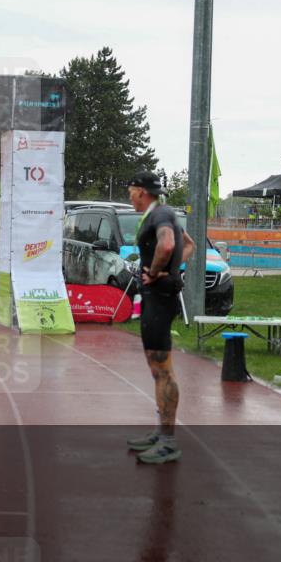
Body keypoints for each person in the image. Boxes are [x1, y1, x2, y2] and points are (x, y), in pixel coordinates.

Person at [124, 171, 195, 465]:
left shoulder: (160, 214)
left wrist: (155, 273)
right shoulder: (161, 214)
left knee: (162, 370)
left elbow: (167, 245)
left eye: (130, 191)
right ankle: (161, 433)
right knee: (158, 370)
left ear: (141, 191)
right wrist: (173, 269)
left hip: (160, 298)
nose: (129, 197)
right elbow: (188, 244)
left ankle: (167, 442)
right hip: (158, 297)